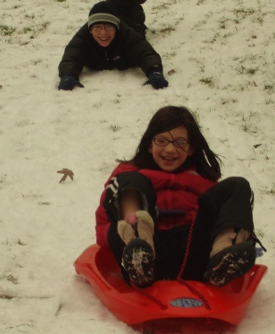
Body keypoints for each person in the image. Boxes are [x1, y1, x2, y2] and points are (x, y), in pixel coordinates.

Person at [95, 106, 260, 289]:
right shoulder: (129, 174)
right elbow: (103, 228)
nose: (170, 149)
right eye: (161, 141)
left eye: (180, 142)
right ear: (149, 145)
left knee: (237, 185)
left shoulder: (204, 179)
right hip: (151, 255)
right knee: (130, 181)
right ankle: (138, 250)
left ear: (191, 148)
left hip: (194, 256)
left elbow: (220, 216)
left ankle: (223, 259)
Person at [57, 0, 169, 91]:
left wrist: (154, 72)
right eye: (98, 28)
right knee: (114, 3)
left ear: (117, 28)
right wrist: (68, 76)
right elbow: (71, 57)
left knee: (126, 7)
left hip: (128, 21)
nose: (103, 33)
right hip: (114, 15)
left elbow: (145, 52)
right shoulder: (84, 36)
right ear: (90, 30)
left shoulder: (126, 33)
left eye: (108, 27)